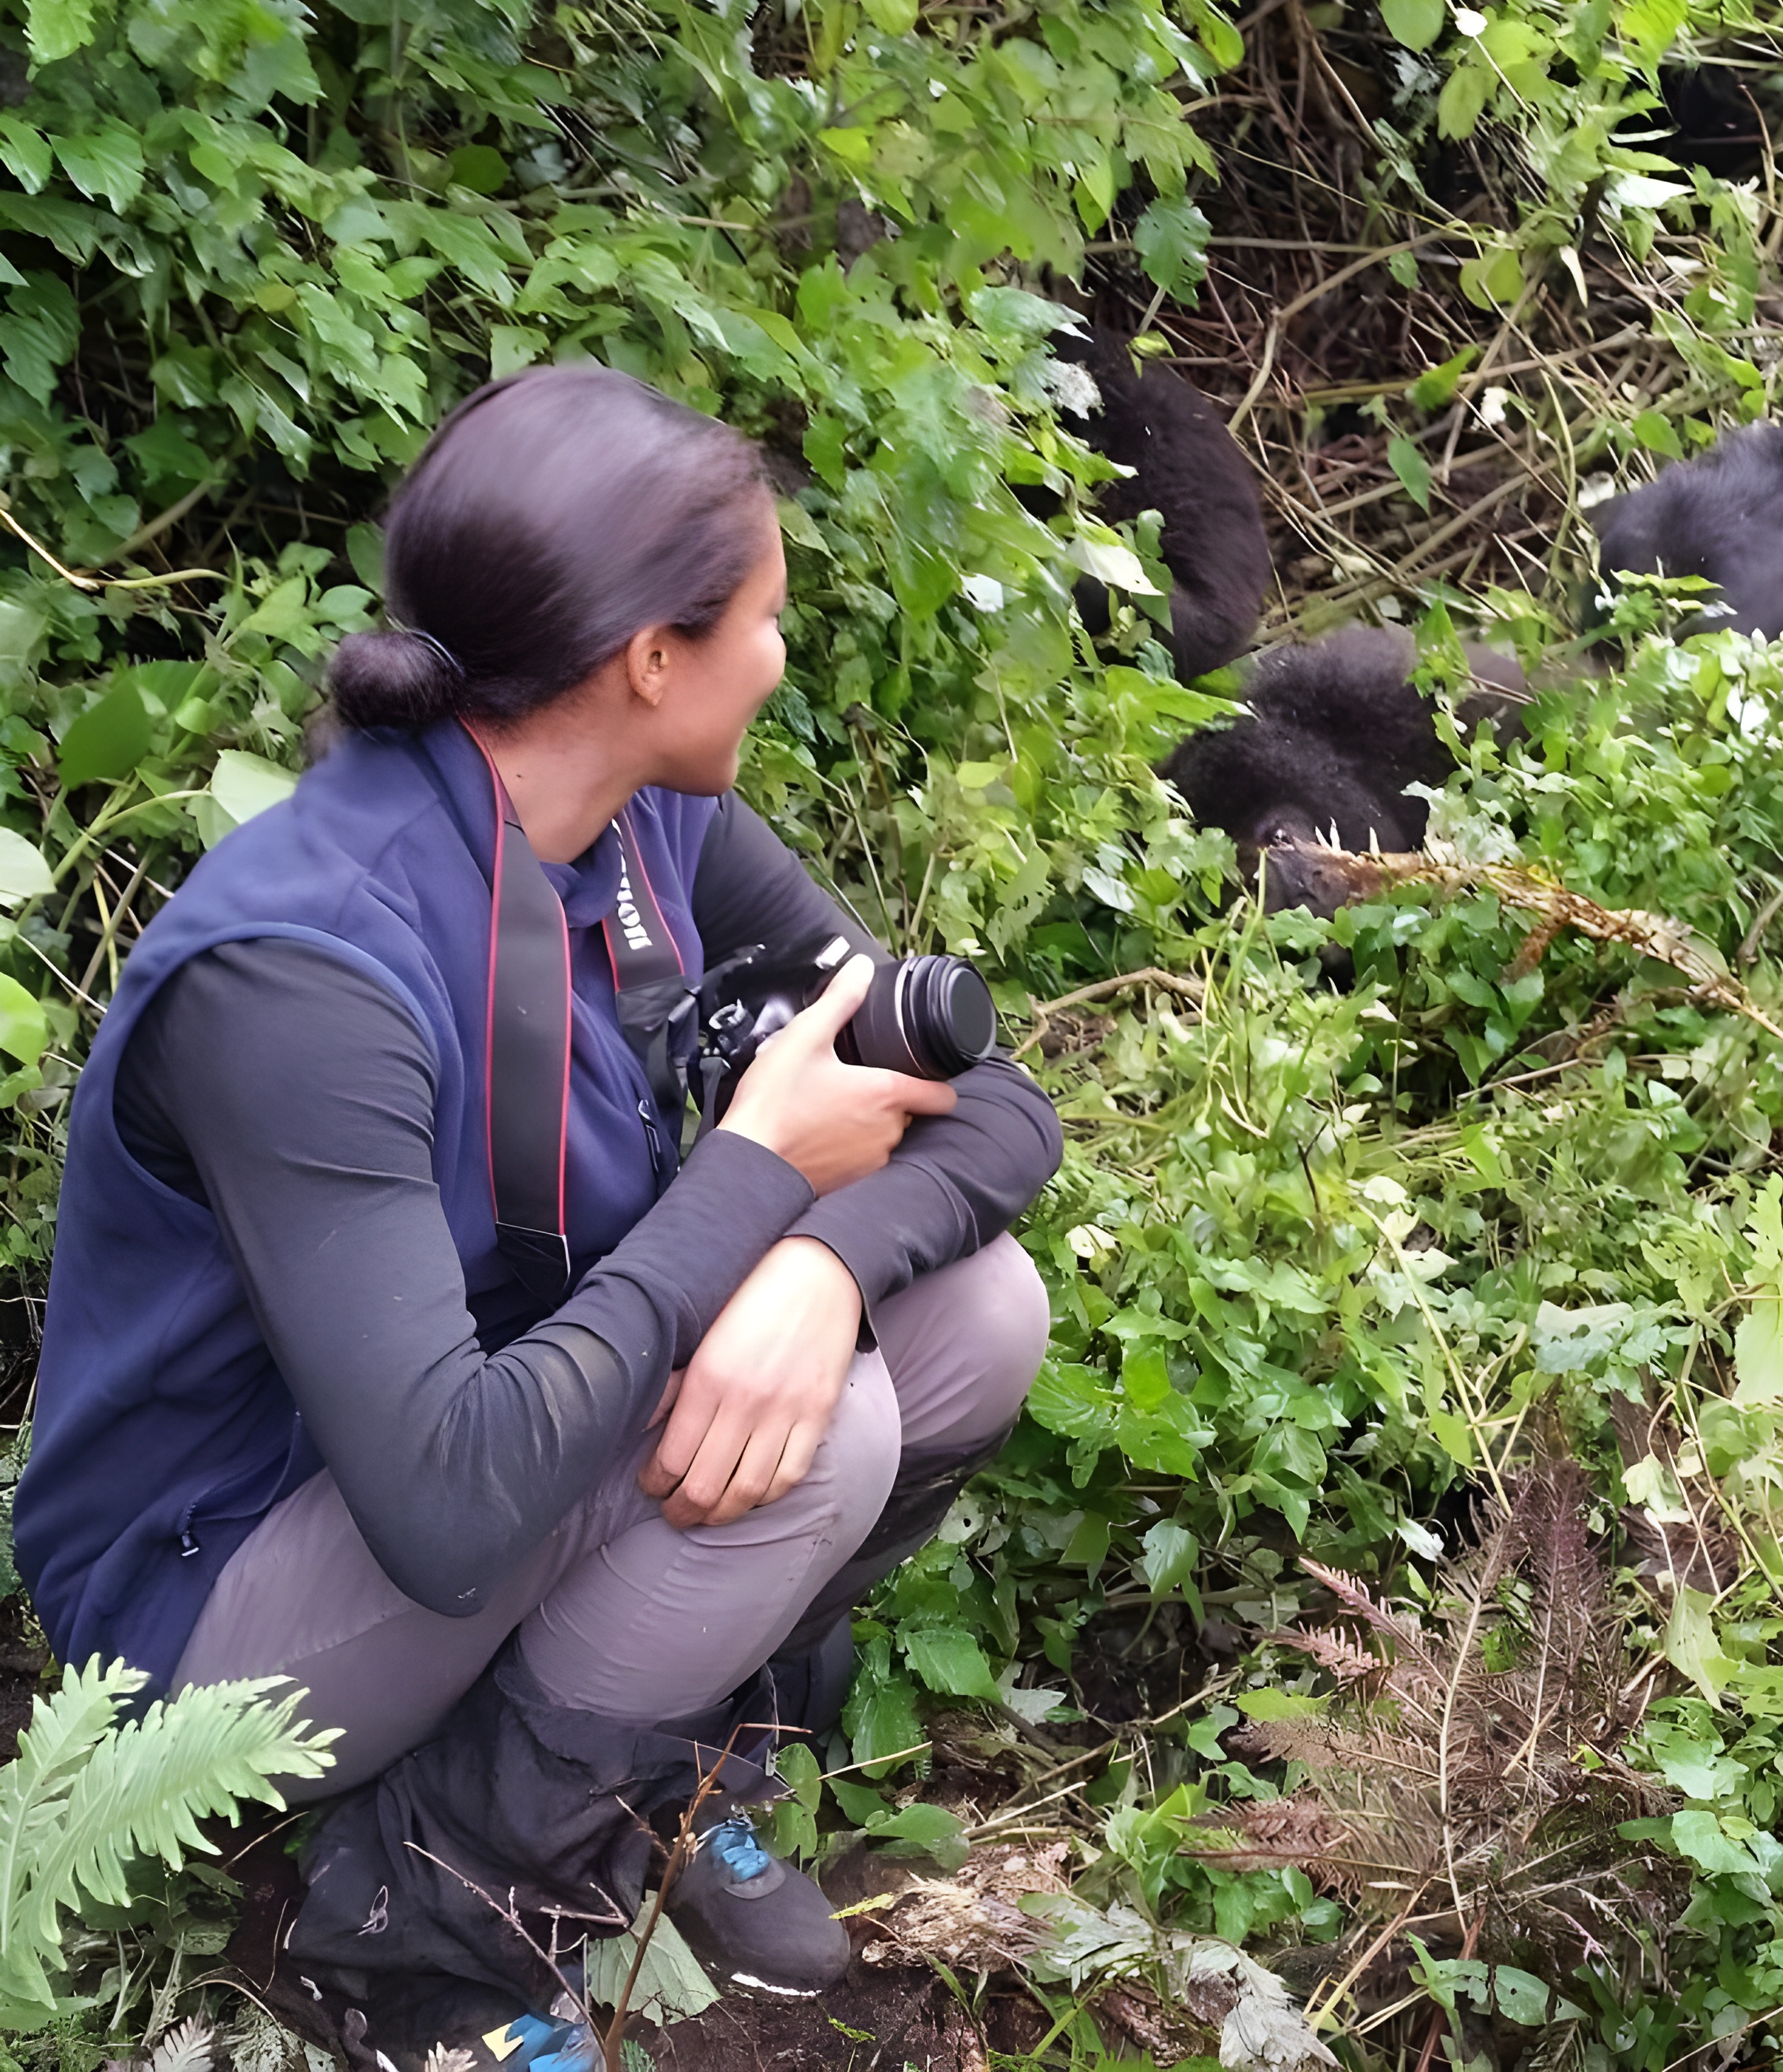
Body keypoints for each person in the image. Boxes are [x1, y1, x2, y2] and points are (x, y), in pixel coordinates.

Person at [14, 368, 1062, 2070]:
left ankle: (645, 1765)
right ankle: (417, 1925)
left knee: (973, 1316)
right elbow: (443, 1502)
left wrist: (817, 1254)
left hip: (509, 1420)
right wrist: (757, 1174)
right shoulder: (303, 977)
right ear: (651, 658)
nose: (778, 658)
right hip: (208, 1606)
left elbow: (995, 1103)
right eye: (765, 620)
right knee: (818, 1431)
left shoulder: (645, 819)